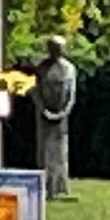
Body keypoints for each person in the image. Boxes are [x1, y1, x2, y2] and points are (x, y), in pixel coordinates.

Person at [31, 35, 79, 198]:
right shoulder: (41, 68)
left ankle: (60, 186)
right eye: (52, 47)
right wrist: (43, 110)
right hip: (44, 115)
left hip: (61, 116)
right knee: (44, 151)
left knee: (60, 151)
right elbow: (36, 91)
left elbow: (71, 94)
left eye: (58, 48)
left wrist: (63, 112)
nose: (55, 51)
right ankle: (45, 186)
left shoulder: (69, 69)